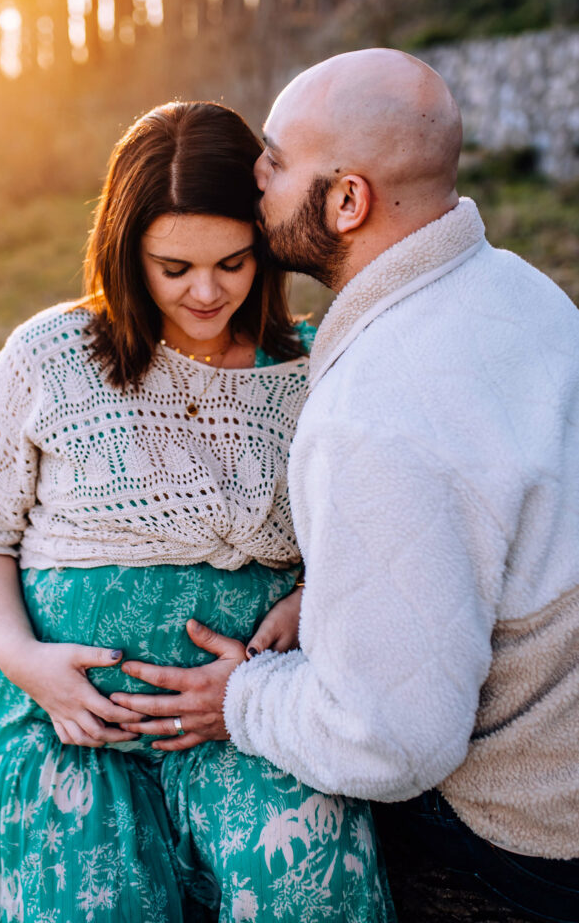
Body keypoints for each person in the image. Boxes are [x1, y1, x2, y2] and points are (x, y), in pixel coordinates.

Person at [110, 53, 579, 922]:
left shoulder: (376, 410)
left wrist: (240, 699)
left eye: (277, 160)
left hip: (528, 838)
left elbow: (390, 745)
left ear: (346, 202)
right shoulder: (519, 290)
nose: (256, 175)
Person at [0, 100, 395, 923]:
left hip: (249, 713)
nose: (206, 292)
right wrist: (23, 661)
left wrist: (310, 599)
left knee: (304, 884)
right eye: (173, 267)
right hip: (74, 726)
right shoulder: (50, 354)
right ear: (125, 250)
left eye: (232, 262)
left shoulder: (316, 366)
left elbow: (370, 526)